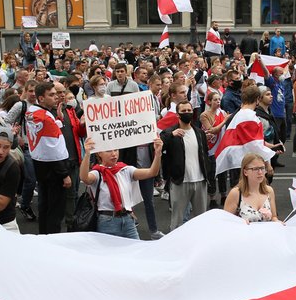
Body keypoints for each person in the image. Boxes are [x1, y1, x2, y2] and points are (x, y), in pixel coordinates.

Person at [79, 135, 163, 240]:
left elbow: (152, 172)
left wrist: (158, 153)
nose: (114, 154)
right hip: (107, 222)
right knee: (111, 255)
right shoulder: (97, 173)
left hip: (128, 221)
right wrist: (87, 154)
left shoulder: (125, 170)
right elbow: (84, 177)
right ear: (99, 153)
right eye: (109, 151)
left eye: (116, 150)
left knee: (136, 252)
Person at [26, 81, 73, 234]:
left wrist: (57, 118)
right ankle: (53, 242)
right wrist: (64, 174)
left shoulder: (32, 112)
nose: (56, 98)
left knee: (44, 206)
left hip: (40, 165)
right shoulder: (46, 118)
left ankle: (44, 237)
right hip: (54, 170)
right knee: (55, 211)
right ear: (41, 98)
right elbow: (55, 149)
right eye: (51, 95)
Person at [160, 99, 209, 231]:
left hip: (200, 181)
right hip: (180, 182)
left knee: (202, 221)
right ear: (177, 114)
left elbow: (205, 154)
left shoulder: (199, 133)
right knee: (177, 222)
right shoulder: (169, 132)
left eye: (189, 110)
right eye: (184, 111)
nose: (187, 113)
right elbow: (157, 147)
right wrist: (171, 135)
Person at [223, 153, 279, 223]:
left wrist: (276, 221)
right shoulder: (236, 193)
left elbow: (274, 216)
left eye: (262, 168)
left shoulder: (269, 191)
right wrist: (239, 223)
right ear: (245, 172)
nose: (260, 172)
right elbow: (226, 221)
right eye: (255, 169)